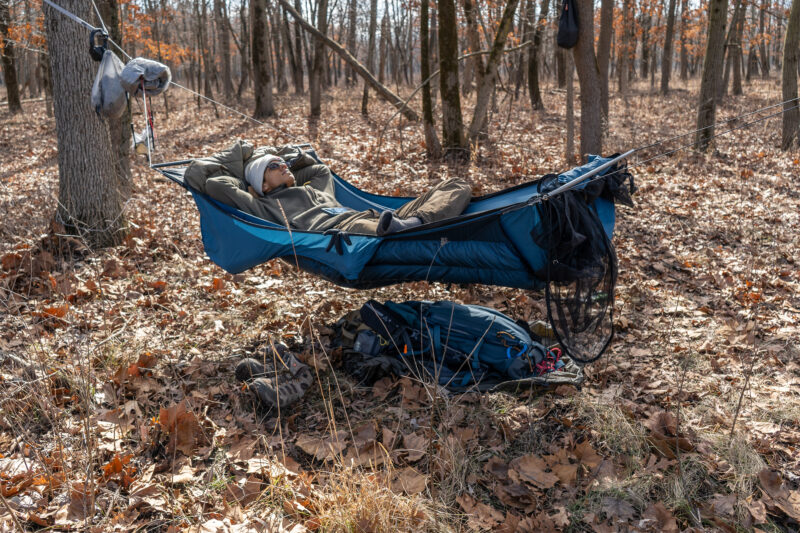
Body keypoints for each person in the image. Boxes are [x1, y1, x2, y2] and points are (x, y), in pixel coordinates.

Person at [184, 140, 471, 235]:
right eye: (273, 167)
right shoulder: (262, 206)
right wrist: (243, 153)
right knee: (367, 231)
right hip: (343, 234)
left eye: (283, 163)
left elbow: (319, 169)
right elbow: (212, 183)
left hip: (381, 218)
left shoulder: (318, 188)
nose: (282, 165)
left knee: (456, 185)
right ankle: (411, 226)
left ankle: (415, 223)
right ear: (258, 185)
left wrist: (283, 158)